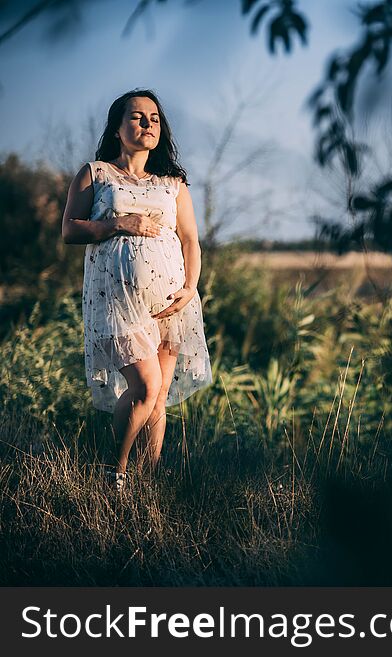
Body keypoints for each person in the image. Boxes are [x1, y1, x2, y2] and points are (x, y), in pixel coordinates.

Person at [61, 89, 212, 491]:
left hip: (169, 300)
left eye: (155, 118)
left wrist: (190, 288)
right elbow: (70, 230)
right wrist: (118, 225)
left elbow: (191, 241)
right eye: (138, 116)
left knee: (158, 396)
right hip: (115, 299)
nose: (148, 124)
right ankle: (116, 473)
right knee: (144, 386)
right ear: (117, 127)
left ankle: (145, 488)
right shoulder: (96, 174)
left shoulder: (173, 184)